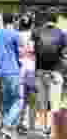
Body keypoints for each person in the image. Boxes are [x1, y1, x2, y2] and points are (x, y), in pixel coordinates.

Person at [32, 8, 67, 139]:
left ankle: (43, 129)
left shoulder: (36, 32)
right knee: (55, 103)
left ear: (46, 19)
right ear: (56, 19)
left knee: (42, 102)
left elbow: (32, 51)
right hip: (56, 72)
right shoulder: (62, 34)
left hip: (40, 71)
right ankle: (54, 131)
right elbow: (64, 54)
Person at [0, 13, 22, 139]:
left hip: (1, 71)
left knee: (6, 101)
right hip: (13, 70)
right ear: (14, 20)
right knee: (18, 100)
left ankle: (9, 132)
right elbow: (21, 51)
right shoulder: (15, 34)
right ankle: (7, 126)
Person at [17, 13, 36, 134]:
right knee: (32, 98)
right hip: (32, 67)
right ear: (31, 24)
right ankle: (31, 125)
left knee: (21, 98)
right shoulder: (34, 35)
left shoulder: (17, 35)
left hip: (19, 68)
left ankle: (20, 123)